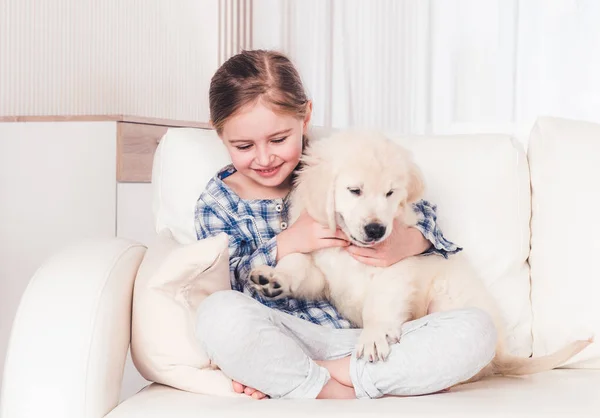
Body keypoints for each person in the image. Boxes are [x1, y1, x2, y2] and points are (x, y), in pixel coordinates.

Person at [194, 49, 496, 400]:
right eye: (244, 145)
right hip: (287, 336)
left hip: (369, 337)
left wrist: (409, 241)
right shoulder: (217, 204)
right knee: (217, 315)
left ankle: (317, 380)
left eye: (278, 139)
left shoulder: (339, 160)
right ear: (220, 136)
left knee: (477, 330)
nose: (265, 158)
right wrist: (288, 242)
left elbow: (415, 208)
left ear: (305, 117)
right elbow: (225, 282)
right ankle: (364, 381)